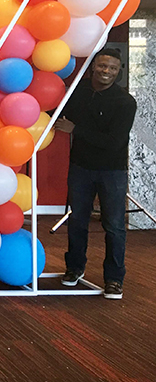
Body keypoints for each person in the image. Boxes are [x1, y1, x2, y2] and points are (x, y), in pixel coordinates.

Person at [55, 47, 136, 300]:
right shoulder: (78, 93)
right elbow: (56, 113)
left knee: (113, 226)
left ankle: (114, 279)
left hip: (112, 171)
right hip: (80, 167)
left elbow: (114, 141)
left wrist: (75, 130)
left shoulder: (125, 101)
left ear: (118, 71)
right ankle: (74, 268)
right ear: (93, 68)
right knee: (77, 220)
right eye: (102, 66)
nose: (106, 71)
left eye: (112, 68)